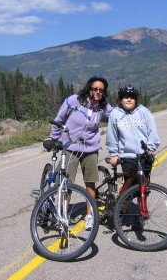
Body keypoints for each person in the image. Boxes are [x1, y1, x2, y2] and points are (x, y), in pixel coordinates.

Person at [45, 74, 113, 230]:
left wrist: (135, 110)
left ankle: (89, 215)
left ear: (104, 93)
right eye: (95, 88)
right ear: (89, 88)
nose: (97, 92)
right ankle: (63, 215)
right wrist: (52, 137)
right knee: (66, 183)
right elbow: (59, 119)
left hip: (90, 149)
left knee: (90, 182)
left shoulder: (103, 108)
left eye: (101, 90)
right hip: (70, 148)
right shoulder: (74, 101)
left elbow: (117, 115)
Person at [106, 84, 160, 184]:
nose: (129, 99)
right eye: (126, 97)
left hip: (145, 156)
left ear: (136, 99)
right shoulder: (115, 113)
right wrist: (114, 154)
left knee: (143, 187)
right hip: (127, 157)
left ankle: (141, 200)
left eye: (132, 97)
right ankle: (123, 200)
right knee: (129, 188)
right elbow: (112, 135)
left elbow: (152, 131)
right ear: (120, 99)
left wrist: (151, 148)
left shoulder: (143, 111)